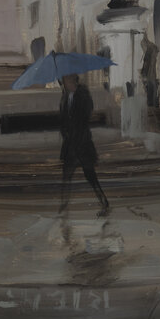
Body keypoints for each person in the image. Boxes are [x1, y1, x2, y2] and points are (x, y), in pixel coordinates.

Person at [59, 74, 110, 217]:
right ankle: (63, 205)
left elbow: (85, 114)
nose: (65, 84)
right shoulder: (65, 96)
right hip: (70, 145)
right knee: (66, 176)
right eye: (64, 81)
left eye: (67, 81)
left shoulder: (83, 95)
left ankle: (104, 202)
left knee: (91, 176)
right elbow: (63, 117)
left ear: (74, 81)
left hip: (82, 143)